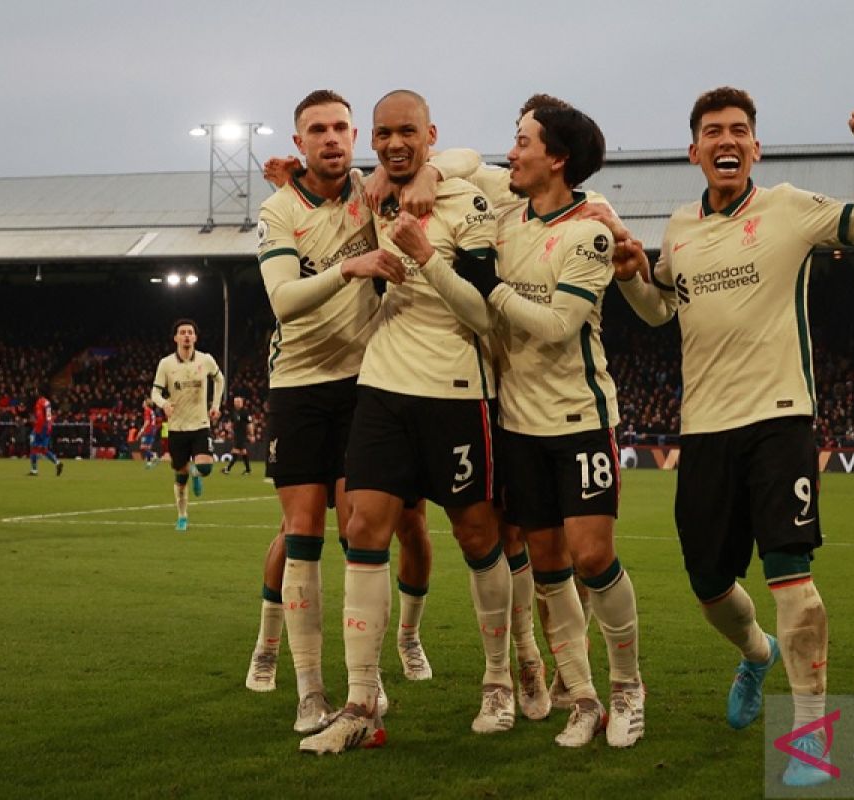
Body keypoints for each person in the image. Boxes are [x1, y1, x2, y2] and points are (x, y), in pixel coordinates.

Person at [615, 87, 854, 786]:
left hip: (781, 420)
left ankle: (810, 736)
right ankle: (755, 654)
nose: (728, 139)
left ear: (755, 147)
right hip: (705, 433)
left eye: (740, 131)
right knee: (709, 584)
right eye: (714, 131)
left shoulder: (789, 209)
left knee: (794, 581)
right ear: (694, 152)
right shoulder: (680, 226)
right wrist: (632, 277)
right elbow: (660, 312)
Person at [282, 89, 510, 755]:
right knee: (363, 527)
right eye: (381, 134)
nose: (392, 144)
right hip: (381, 388)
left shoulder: (469, 197)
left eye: (406, 132)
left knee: (474, 533)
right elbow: (315, 192)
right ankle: (358, 702)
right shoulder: (369, 192)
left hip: (457, 391)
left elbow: (483, 315)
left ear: (430, 133)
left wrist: (426, 250)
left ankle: (497, 680)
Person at [250, 89, 469, 725]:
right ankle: (308, 691)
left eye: (341, 127)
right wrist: (353, 269)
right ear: (299, 144)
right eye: (317, 130)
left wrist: (429, 169)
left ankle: (365, 681)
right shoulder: (277, 209)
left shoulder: (372, 191)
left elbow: (461, 158)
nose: (331, 138)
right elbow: (284, 301)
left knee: (363, 532)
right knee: (302, 534)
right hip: (297, 384)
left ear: (356, 136)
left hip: (366, 381)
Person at [457, 100, 644, 748]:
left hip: (579, 420)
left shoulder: (589, 232)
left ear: (557, 158)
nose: (512, 152)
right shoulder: (506, 217)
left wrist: (491, 287)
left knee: (593, 557)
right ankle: (584, 697)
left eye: (523, 142)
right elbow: (452, 163)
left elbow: (561, 327)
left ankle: (627, 689)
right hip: (517, 424)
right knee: (547, 568)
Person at [151, 320, 223, 530]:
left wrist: (215, 404)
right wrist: (164, 403)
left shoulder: (206, 360)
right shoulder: (166, 364)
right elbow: (154, 392)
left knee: (205, 467)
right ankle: (182, 516)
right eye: (182, 332)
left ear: (195, 338)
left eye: (190, 332)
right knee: (180, 477)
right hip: (177, 428)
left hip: (200, 424)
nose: (186, 336)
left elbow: (220, 380)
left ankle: (196, 473)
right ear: (175, 338)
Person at [27, 386, 63, 476]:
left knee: (33, 447)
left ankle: (34, 470)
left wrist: (35, 426)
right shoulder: (47, 402)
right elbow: (48, 417)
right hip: (48, 427)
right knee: (43, 449)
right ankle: (57, 462)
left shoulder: (39, 403)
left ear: (39, 392)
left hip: (40, 428)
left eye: (36, 391)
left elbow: (40, 418)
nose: (34, 392)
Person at [223, 396, 254, 475]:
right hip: (237, 434)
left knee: (235, 451)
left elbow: (250, 424)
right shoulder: (234, 412)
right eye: (235, 402)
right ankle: (248, 470)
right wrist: (228, 426)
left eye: (238, 402)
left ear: (242, 403)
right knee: (243, 452)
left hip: (242, 435)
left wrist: (252, 435)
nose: (236, 403)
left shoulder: (245, 412)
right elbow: (233, 422)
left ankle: (228, 469)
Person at [139, 399, 160, 468]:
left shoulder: (147, 410)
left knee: (142, 447)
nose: (142, 403)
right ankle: (149, 463)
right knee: (148, 447)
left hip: (148, 430)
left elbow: (147, 422)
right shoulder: (151, 411)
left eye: (144, 402)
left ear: (146, 404)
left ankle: (154, 456)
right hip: (153, 430)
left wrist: (141, 430)